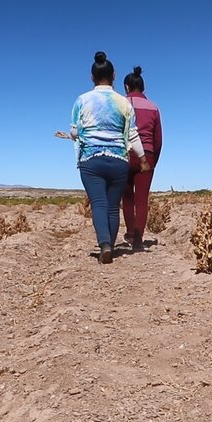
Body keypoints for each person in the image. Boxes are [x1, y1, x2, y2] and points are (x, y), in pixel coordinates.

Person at [56, 51, 147, 264]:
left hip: (91, 160)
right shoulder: (124, 103)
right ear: (114, 75)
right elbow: (132, 134)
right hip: (118, 161)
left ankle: (104, 244)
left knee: (98, 203)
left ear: (91, 77)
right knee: (113, 206)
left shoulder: (82, 100)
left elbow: (75, 132)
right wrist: (142, 159)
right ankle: (112, 247)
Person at [121, 66, 162, 251]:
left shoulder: (121, 103)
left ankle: (130, 234)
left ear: (127, 87)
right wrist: (153, 161)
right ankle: (138, 238)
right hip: (148, 154)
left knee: (127, 196)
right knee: (142, 199)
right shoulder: (153, 107)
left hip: (125, 153)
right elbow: (158, 138)